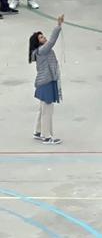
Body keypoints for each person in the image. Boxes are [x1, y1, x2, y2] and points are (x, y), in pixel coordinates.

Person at [29, 14, 64, 145]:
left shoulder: (40, 51)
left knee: (42, 109)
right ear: (38, 42)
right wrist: (58, 25)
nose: (44, 38)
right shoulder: (43, 50)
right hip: (46, 82)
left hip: (44, 82)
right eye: (41, 37)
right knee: (47, 110)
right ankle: (47, 136)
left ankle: (38, 132)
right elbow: (52, 41)